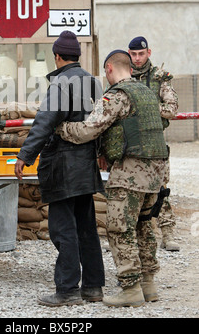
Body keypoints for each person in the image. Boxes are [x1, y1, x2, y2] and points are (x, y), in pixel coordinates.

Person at [56, 50, 169, 308]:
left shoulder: (117, 95)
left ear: (109, 68)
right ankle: (148, 285)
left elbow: (88, 129)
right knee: (144, 226)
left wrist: (61, 128)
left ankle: (130, 289)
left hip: (130, 173)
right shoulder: (147, 93)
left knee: (119, 228)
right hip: (156, 173)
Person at [15, 30, 105, 307]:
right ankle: (93, 287)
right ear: (76, 56)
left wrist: (25, 155)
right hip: (86, 165)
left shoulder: (61, 84)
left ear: (57, 56)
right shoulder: (93, 83)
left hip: (63, 168)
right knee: (86, 226)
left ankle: (66, 289)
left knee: (62, 229)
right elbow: (101, 123)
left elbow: (44, 122)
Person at [128, 36, 180, 251]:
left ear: (149, 52)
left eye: (141, 54)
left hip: (156, 144)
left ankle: (167, 234)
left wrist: (146, 107)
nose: (137, 58)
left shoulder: (159, 77)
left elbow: (171, 109)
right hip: (130, 144)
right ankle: (129, 236)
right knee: (130, 190)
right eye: (134, 54)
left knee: (161, 190)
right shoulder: (125, 76)